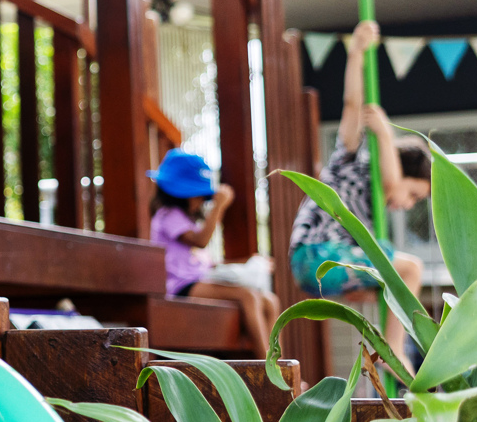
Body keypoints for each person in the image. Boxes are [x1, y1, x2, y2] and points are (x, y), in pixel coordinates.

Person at [287, 20, 433, 360]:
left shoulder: (369, 210)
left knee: (387, 288)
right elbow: (352, 105)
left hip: (316, 268)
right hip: (315, 255)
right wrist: (356, 54)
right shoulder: (352, 161)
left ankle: (386, 353)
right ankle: (392, 349)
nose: (407, 204)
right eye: (414, 195)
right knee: (409, 270)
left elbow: (392, 186)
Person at [147, 150, 279, 356]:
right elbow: (201, 241)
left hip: (198, 282)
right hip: (180, 288)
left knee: (270, 301)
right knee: (248, 296)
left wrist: (250, 262)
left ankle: (279, 363)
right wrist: (219, 206)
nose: (202, 202)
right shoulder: (168, 216)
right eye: (200, 197)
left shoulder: (186, 222)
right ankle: (268, 369)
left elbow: (208, 264)